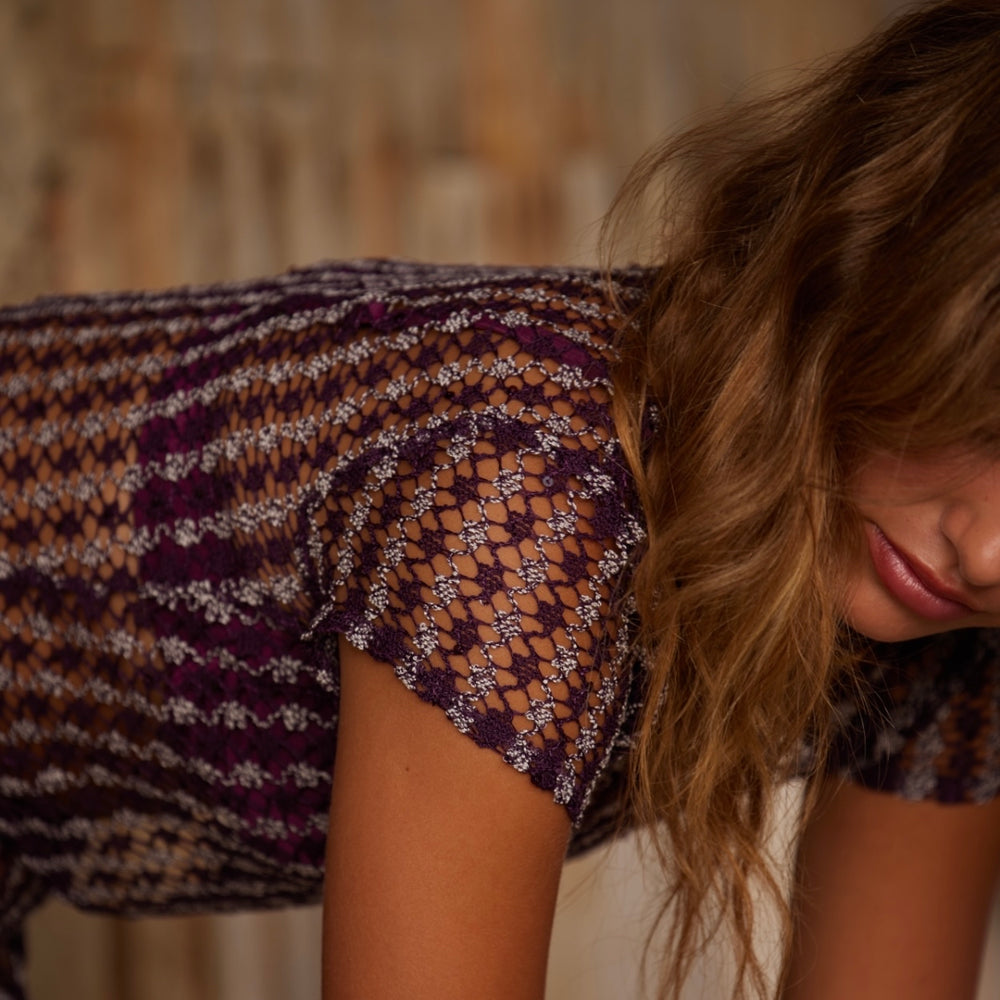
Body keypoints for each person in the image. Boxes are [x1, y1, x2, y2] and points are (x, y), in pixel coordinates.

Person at [2, 1, 1000, 998]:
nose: (989, 551)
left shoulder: (945, 626)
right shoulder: (524, 492)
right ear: (873, 264)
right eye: (981, 421)